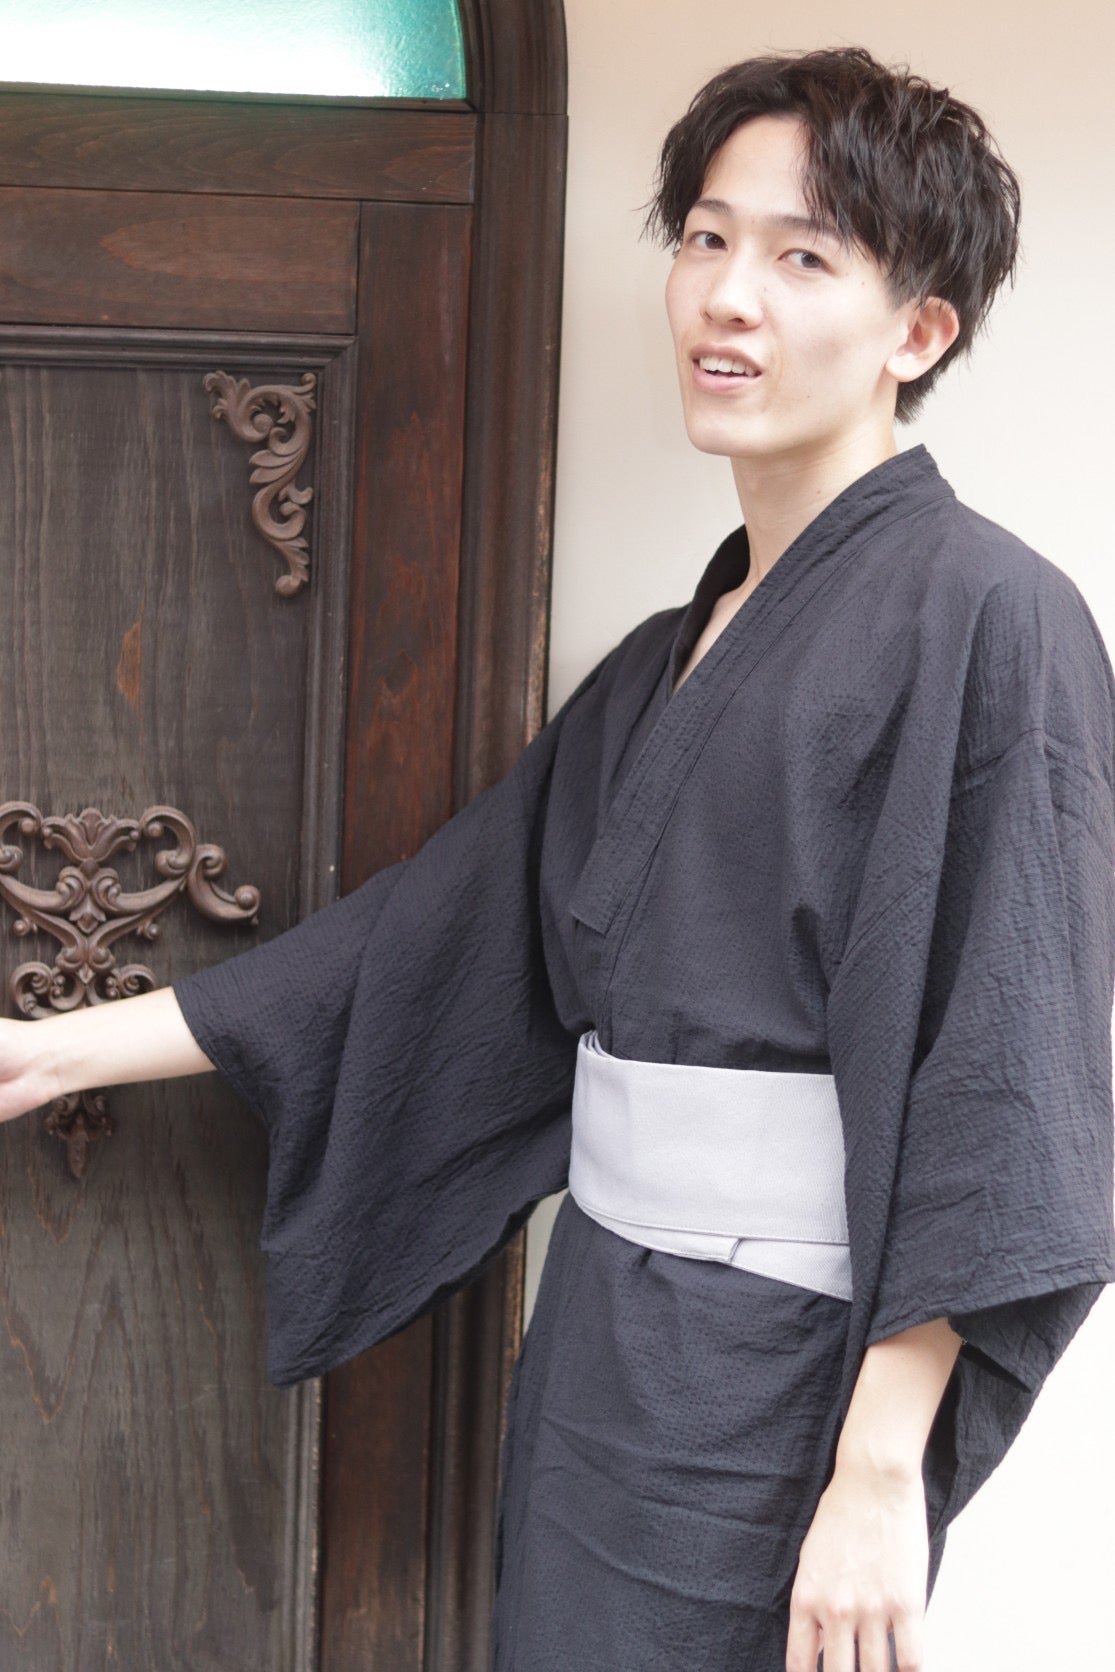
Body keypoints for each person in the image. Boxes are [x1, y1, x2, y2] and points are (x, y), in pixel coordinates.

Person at [1, 44, 1112, 1672]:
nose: (728, 296)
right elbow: (433, 940)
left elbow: (1005, 1072)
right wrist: (53, 1051)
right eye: (707, 237)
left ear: (918, 330)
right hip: (601, 1334)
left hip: (785, 1383)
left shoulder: (997, 619)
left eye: (804, 257)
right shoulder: (668, 655)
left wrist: (882, 1473)